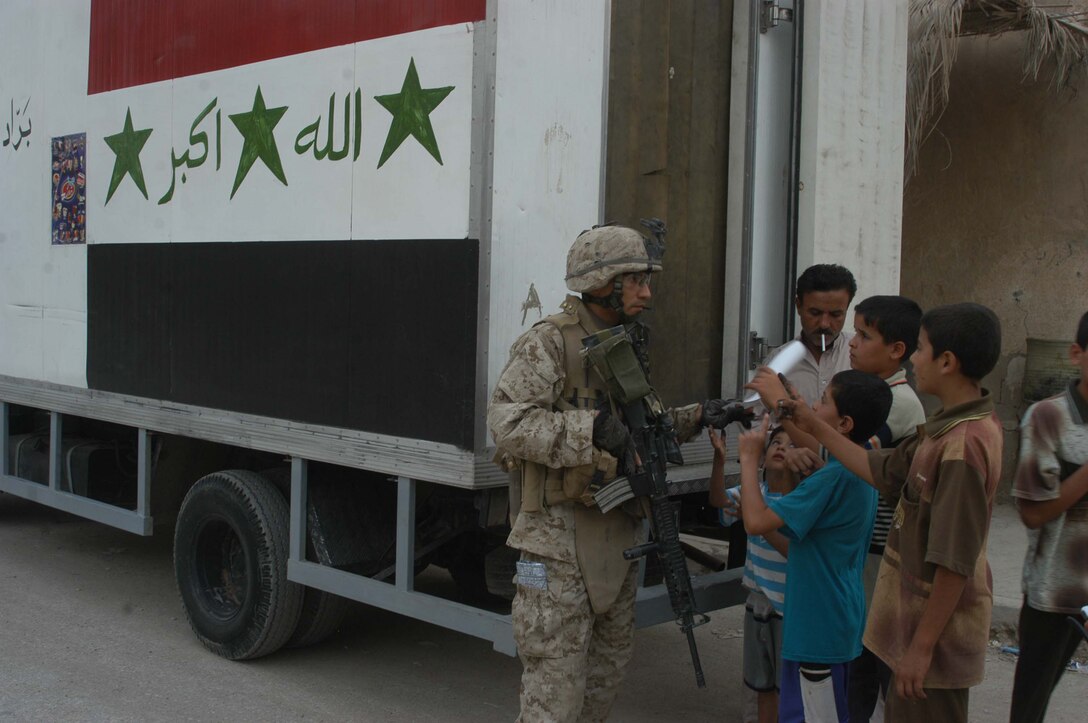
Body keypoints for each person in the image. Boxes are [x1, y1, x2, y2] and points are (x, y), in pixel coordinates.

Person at [487, 222, 746, 722]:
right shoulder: (550, 342)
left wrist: (701, 415)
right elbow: (507, 423)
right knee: (554, 700)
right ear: (604, 282)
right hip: (557, 542)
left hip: (619, 535)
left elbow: (640, 428)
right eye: (637, 280)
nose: (647, 292)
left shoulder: (623, 343)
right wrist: (591, 428)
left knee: (602, 687)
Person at [753, 302, 1003, 723]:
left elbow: (954, 563)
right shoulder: (948, 428)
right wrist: (806, 420)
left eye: (920, 350)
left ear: (947, 361)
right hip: (912, 628)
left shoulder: (962, 446)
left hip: (933, 642)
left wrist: (920, 649)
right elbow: (878, 467)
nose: (914, 359)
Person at [738, 370, 892, 723]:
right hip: (835, 619)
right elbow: (822, 439)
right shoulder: (859, 457)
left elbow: (756, 522)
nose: (814, 406)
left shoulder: (831, 478)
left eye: (823, 402)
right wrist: (788, 409)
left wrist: (749, 458)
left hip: (817, 629)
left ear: (845, 423)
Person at [845, 295, 927, 721]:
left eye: (864, 335)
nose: (852, 343)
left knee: (877, 665)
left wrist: (799, 423)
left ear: (898, 350)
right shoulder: (875, 392)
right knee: (858, 664)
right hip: (866, 553)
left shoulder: (900, 404)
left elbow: (853, 460)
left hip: (881, 556)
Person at [1008, 309, 1088, 723]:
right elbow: (1033, 514)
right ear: (1078, 353)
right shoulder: (1047, 417)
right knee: (1030, 704)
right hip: (1055, 591)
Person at [708, 424, 798, 723]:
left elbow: (793, 553)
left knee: (787, 687)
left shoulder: (800, 501)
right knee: (761, 684)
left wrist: (755, 520)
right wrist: (720, 459)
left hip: (788, 607)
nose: (781, 447)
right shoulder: (754, 493)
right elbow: (719, 500)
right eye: (775, 442)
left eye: (791, 444)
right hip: (757, 602)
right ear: (761, 457)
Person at [768, 263, 857, 406]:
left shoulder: (860, 355)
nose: (824, 324)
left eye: (835, 315)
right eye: (815, 313)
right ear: (798, 306)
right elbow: (756, 419)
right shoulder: (778, 362)